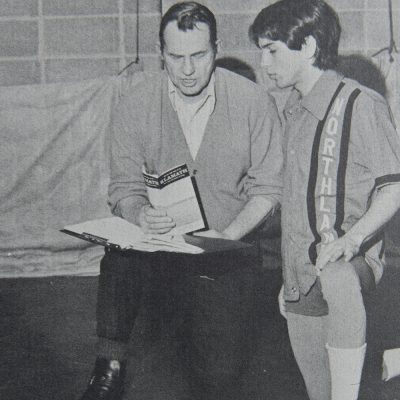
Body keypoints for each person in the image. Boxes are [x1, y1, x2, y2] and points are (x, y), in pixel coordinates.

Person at [79, 2, 283, 400]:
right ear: (161, 54)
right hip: (161, 251)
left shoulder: (253, 102)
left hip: (227, 254)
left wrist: (228, 235)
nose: (187, 70)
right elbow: (123, 188)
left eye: (198, 56)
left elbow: (269, 191)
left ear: (216, 48)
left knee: (216, 382)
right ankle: (109, 365)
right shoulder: (134, 103)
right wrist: (140, 214)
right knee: (118, 255)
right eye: (176, 57)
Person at [249, 1, 400, 399]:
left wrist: (351, 241)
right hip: (302, 274)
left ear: (310, 47)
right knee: (319, 392)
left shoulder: (361, 103)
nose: (264, 63)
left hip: (350, 262)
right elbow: (296, 201)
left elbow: (394, 187)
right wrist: (291, 274)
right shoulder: (292, 109)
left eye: (272, 50)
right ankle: (380, 365)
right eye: (261, 51)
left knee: (338, 275)